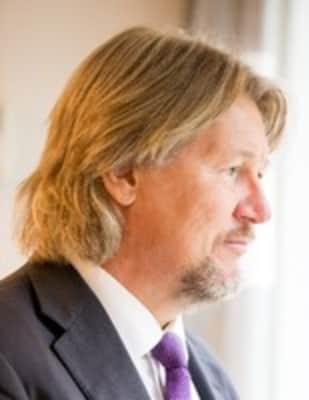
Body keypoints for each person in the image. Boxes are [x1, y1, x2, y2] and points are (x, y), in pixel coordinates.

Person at [0, 26, 286, 400]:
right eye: (232, 170)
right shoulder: (8, 353)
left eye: (260, 174)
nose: (260, 210)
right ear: (123, 172)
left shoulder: (212, 379)